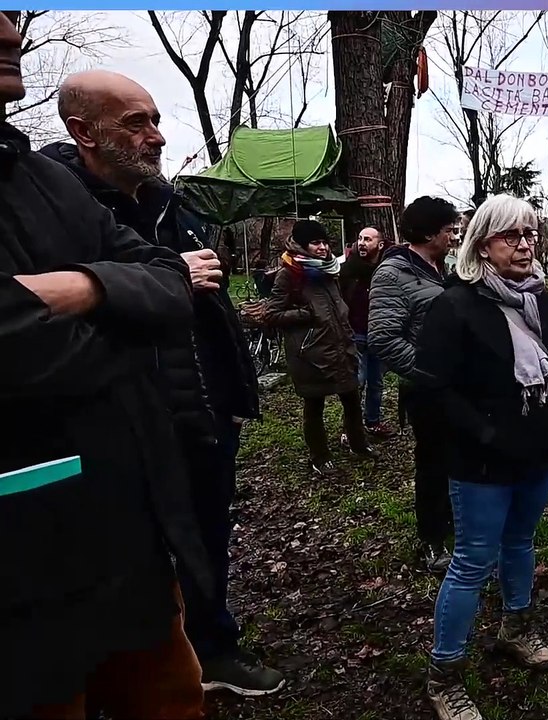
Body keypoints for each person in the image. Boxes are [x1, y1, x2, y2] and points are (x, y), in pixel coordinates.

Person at [37, 69, 283, 697]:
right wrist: (167, 276)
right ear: (83, 132)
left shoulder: (172, 205)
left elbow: (206, 306)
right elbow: (53, 307)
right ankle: (117, 680)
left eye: (156, 119)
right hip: (118, 423)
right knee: (127, 560)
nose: (157, 136)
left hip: (201, 412)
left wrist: (231, 395)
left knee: (206, 538)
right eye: (136, 123)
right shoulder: (51, 207)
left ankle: (214, 651)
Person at [0, 12, 207, 717]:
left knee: (168, 696)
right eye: (136, 120)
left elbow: (168, 282)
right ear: (86, 131)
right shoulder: (67, 182)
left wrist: (83, 287)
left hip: (129, 531)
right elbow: (18, 352)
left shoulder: (35, 179)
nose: (8, 27)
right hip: (20, 569)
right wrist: (127, 322)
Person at [413, 195, 548, 720]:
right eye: (513, 235)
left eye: (530, 234)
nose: (526, 244)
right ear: (483, 243)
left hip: (537, 456)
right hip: (480, 464)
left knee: (521, 543)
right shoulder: (455, 306)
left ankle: (515, 630)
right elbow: (433, 392)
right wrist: (488, 435)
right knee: (472, 562)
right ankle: (444, 675)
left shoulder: (540, 300)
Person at [368, 196, 460, 574]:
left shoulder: (440, 268)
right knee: (433, 464)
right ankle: (431, 538)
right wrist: (427, 371)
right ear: (427, 232)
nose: (454, 236)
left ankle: (452, 520)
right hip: (426, 390)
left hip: (456, 385)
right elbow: (384, 338)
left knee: (455, 460)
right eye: (449, 230)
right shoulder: (393, 274)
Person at [261, 219, 374, 476]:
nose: (322, 248)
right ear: (302, 245)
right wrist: (305, 314)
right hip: (310, 352)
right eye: (315, 242)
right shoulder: (290, 274)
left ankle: (358, 443)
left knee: (352, 398)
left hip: (340, 346)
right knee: (314, 406)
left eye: (324, 242)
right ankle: (319, 456)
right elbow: (272, 314)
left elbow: (337, 305)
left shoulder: (328, 270)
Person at [339, 226, 395, 439]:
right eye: (360, 238)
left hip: (380, 333)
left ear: (380, 244)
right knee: (357, 381)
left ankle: (373, 421)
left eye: (368, 239)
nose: (362, 243)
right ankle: (350, 429)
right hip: (357, 332)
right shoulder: (349, 269)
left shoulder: (388, 269)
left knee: (376, 381)